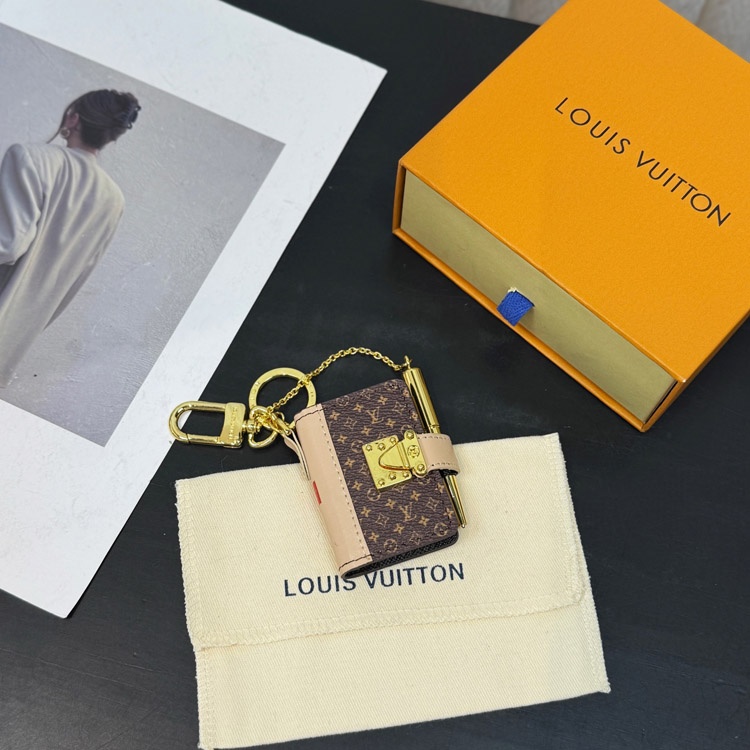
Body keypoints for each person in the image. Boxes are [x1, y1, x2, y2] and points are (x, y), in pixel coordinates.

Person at [0, 89, 140, 387]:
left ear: (73, 119)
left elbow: (7, 245)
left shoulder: (28, 157)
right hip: (12, 341)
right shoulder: (113, 199)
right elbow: (73, 283)